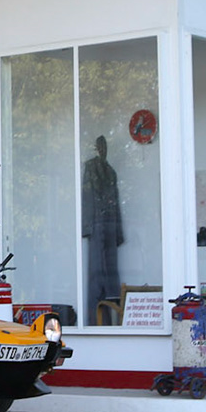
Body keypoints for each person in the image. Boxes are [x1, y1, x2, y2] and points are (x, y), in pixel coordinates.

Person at [81, 135, 123, 323]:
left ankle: (113, 319)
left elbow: (116, 200)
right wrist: (87, 227)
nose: (103, 150)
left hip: (110, 225)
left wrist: (118, 232)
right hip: (96, 224)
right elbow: (87, 196)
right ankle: (94, 320)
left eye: (105, 146)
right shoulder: (91, 167)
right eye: (100, 146)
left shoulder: (111, 172)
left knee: (111, 275)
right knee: (96, 276)